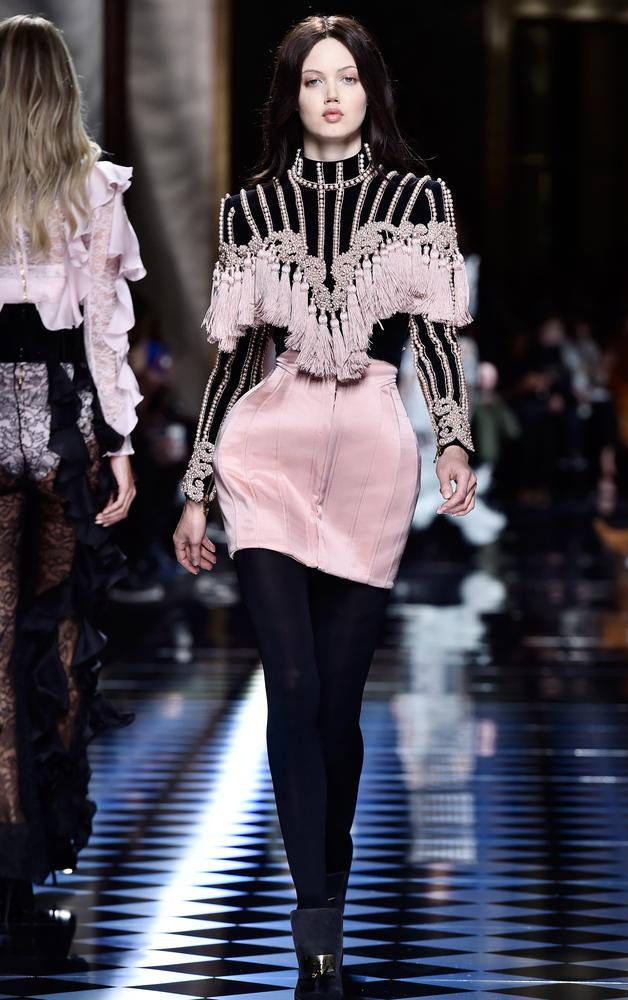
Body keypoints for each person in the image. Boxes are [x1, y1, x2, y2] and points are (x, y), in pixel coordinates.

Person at [173, 15, 476, 998]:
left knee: (338, 709)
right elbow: (230, 359)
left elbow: (432, 338)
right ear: (292, 96)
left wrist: (455, 437)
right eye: (313, 80)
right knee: (291, 686)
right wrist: (197, 485)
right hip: (267, 448)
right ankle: (317, 940)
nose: (331, 93)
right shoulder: (250, 209)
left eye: (346, 77)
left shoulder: (416, 197)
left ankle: (324, 897)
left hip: (374, 459)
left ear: (368, 90)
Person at [0, 15, 144, 949]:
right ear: (64, 85)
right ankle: (32, 863)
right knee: (52, 634)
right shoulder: (94, 187)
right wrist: (123, 439)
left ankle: (6, 857)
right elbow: (103, 329)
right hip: (60, 414)